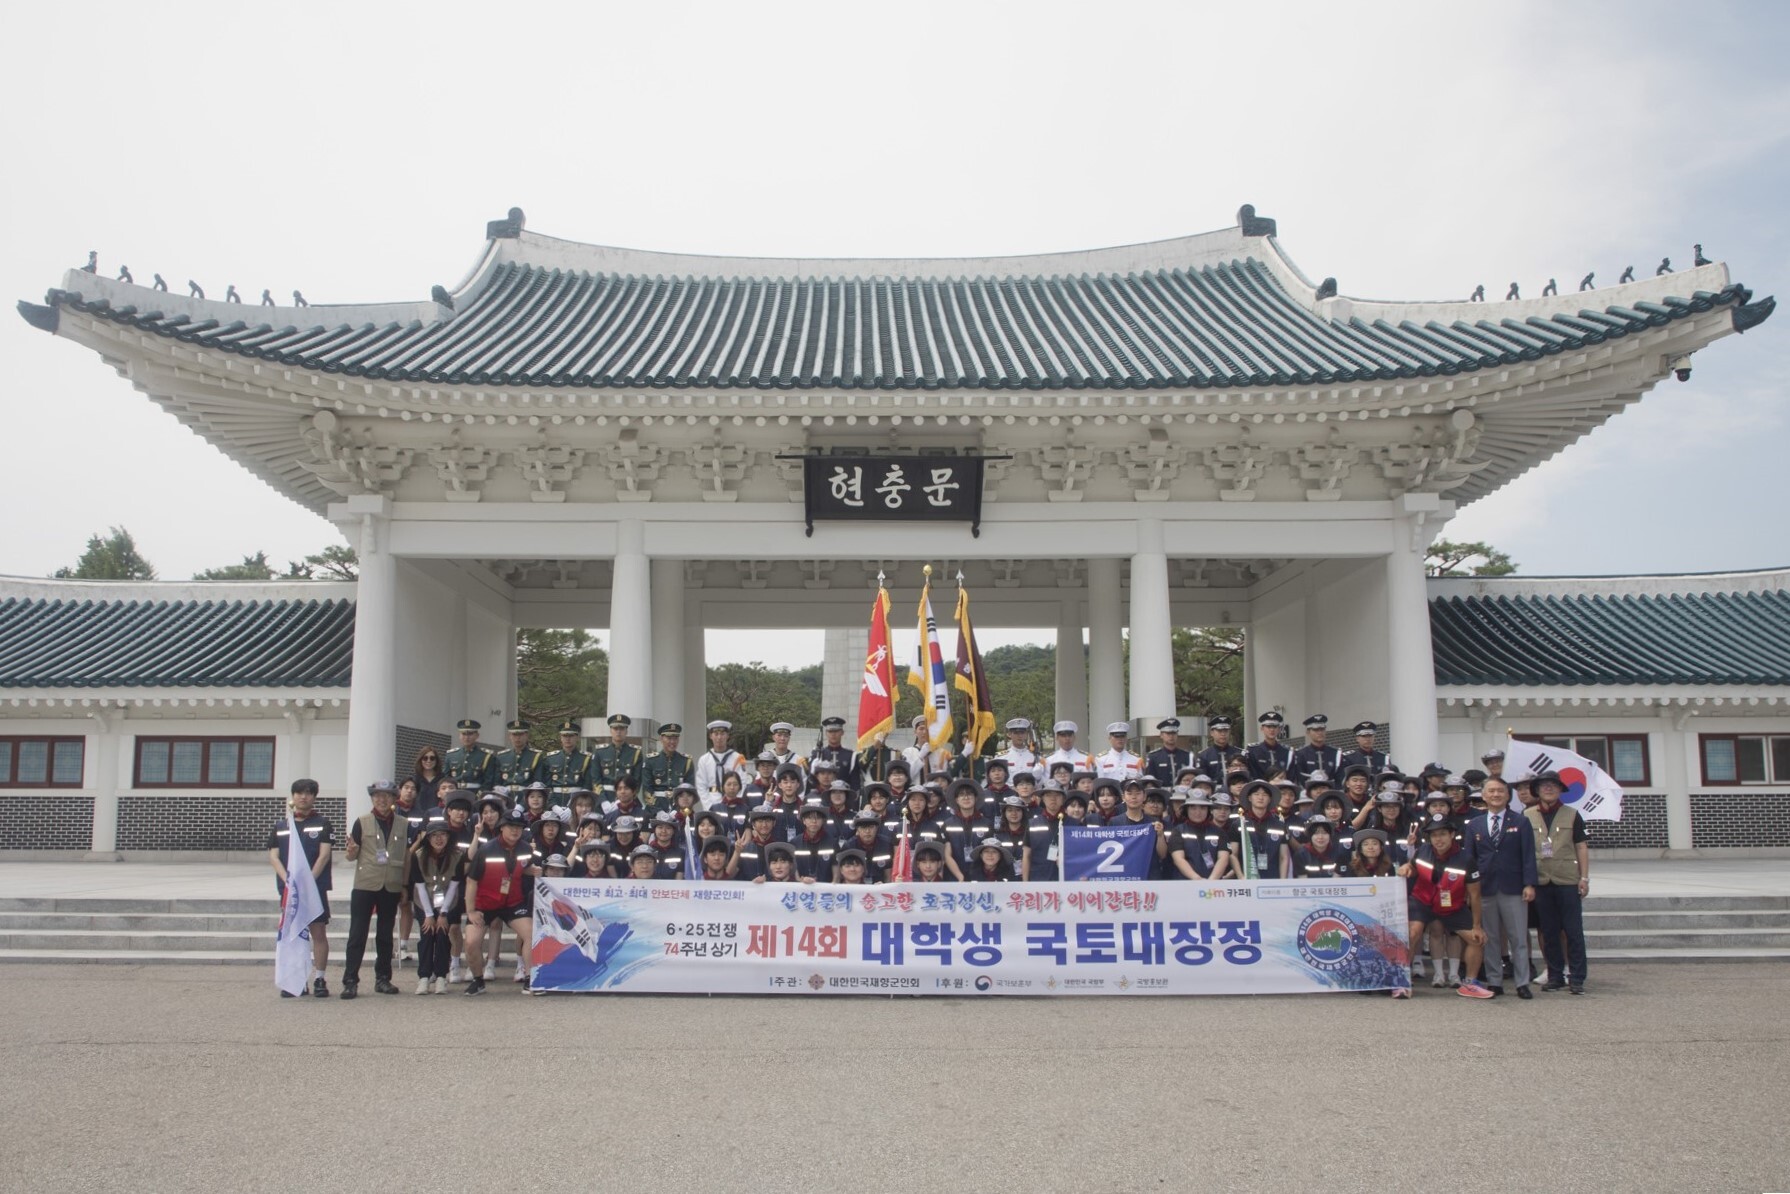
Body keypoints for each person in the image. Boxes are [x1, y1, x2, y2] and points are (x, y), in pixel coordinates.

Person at [1404, 813, 1495, 998]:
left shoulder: (1466, 859)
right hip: (1422, 901)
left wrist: (1477, 926)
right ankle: (1402, 980)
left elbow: (1475, 895)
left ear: (1452, 835)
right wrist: (1406, 867)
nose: (1439, 839)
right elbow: (1412, 866)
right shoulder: (1422, 851)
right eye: (1434, 835)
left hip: (1451, 904)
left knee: (1477, 939)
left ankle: (1469, 984)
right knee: (1412, 933)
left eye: (1443, 834)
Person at [339, 780, 409, 1000]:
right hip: (366, 884)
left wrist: (405, 885)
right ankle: (350, 981)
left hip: (391, 884)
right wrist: (350, 851)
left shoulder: (403, 823)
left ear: (394, 799)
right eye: (377, 795)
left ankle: (383, 979)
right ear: (372, 798)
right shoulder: (362, 822)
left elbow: (406, 855)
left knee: (385, 935)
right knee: (357, 934)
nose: (382, 799)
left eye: (387, 795)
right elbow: (351, 854)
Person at [1468, 777, 1537, 999]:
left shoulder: (1521, 821)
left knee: (1518, 937)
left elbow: (1528, 856)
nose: (1496, 795)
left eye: (1500, 791)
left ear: (1508, 795)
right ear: (1484, 795)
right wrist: (1470, 890)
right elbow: (1470, 859)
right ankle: (1495, 980)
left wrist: (1529, 884)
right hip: (1485, 888)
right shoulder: (1475, 825)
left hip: (1513, 887)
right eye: (1491, 791)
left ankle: (1522, 982)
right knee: (1491, 938)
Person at [267, 778, 333, 998]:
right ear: (293, 796)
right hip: (290, 892)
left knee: (318, 933)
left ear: (314, 797)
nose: (303, 797)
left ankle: (320, 978)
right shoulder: (281, 825)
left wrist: (307, 882)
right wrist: (289, 881)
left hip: (314, 889)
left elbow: (324, 855)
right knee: (293, 935)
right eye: (298, 793)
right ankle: (297, 980)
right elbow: (274, 856)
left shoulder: (322, 823)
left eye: (308, 793)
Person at [1526, 771, 1591, 994]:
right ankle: (1555, 975)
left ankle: (1577, 977)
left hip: (1567, 879)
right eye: (1544, 785)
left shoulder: (1572, 814)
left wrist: (1584, 877)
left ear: (1561, 789)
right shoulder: (1527, 815)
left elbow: (1581, 846)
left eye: (1553, 785)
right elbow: (1524, 850)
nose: (1549, 789)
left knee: (1573, 931)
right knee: (1549, 930)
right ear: (1537, 790)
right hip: (1541, 879)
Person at [463, 809, 534, 995]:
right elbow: (471, 881)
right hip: (484, 904)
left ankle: (530, 979)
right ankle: (478, 981)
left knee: (532, 934)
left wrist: (534, 871)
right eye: (511, 826)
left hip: (513, 902)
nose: (515, 831)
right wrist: (470, 911)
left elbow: (524, 868)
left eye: (519, 827)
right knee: (471, 942)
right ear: (502, 827)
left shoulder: (527, 849)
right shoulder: (485, 850)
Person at [408, 814, 464, 994]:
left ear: (448, 837)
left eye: (443, 835)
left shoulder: (457, 856)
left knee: (442, 935)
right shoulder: (418, 855)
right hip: (423, 900)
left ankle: (441, 976)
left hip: (448, 901)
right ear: (428, 838)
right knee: (426, 935)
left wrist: (443, 914)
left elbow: (454, 886)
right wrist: (429, 915)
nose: (439, 839)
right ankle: (424, 977)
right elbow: (420, 886)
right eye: (434, 835)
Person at [1229, 780, 1290, 880]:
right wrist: (1241, 876)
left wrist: (1283, 880)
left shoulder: (1279, 825)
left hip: (1273, 878)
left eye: (1265, 795)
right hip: (1247, 877)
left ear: (1270, 799)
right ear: (1249, 798)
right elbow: (1233, 855)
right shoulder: (1239, 824)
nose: (1260, 798)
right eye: (1256, 794)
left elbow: (1284, 857)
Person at [1166, 789, 1231, 880]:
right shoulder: (1178, 831)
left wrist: (1212, 880)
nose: (1198, 812)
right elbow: (1178, 859)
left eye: (1203, 808)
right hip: (1184, 885)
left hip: (1214, 888)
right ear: (1186, 810)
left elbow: (1223, 859)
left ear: (1209, 810)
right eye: (1193, 808)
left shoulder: (1218, 832)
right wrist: (1197, 879)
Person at [640, 723, 694, 809]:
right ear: (661, 739)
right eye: (669, 738)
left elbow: (690, 789)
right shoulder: (651, 760)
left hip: (679, 808)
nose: (672, 742)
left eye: (675, 738)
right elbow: (647, 789)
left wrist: (678, 810)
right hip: (656, 806)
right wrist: (657, 811)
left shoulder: (686, 761)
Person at [695, 720, 747, 805]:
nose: (719, 737)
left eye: (722, 734)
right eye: (716, 734)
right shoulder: (704, 760)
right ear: (710, 736)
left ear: (727, 736)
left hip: (733, 801)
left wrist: (735, 801)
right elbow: (701, 786)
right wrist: (708, 806)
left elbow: (742, 782)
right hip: (712, 800)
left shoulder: (737, 758)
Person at [543, 720, 594, 798]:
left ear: (577, 737)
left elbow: (587, 785)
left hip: (576, 800)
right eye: (564, 736)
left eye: (571, 736)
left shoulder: (586, 758)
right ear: (560, 737)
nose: (567, 739)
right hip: (555, 800)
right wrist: (552, 805)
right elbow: (547, 785)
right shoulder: (551, 758)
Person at [444, 719, 498, 791]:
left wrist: (479, 796)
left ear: (477, 735)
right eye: (463, 734)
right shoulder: (451, 755)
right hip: (454, 794)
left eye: (470, 734)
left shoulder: (486, 756)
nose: (466, 737)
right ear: (459, 735)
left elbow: (488, 781)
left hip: (474, 795)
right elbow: (446, 778)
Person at [1288, 714, 1342, 784]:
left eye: (1322, 729)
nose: (1320, 733)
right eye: (1316, 730)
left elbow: (1339, 777)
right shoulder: (1300, 754)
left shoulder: (1335, 753)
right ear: (1308, 732)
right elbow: (1299, 777)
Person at [1144, 717, 1194, 788]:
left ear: (1177, 734)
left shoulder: (1187, 755)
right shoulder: (1153, 757)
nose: (1171, 736)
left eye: (1173, 733)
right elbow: (1149, 781)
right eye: (1168, 733)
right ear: (1161, 735)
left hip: (1182, 794)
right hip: (1161, 795)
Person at [495, 720, 545, 789]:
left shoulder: (535, 756)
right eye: (514, 734)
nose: (517, 738)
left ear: (527, 735)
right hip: (505, 796)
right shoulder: (502, 756)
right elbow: (497, 782)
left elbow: (538, 782)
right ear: (509, 736)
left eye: (521, 734)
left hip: (526, 796)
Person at [1244, 711, 1293, 780]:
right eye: (1268, 726)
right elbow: (1251, 774)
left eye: (1275, 726)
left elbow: (1291, 775)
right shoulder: (1253, 750)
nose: (1272, 730)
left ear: (1279, 729)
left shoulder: (1287, 751)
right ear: (1262, 728)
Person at [1194, 717, 1242, 783]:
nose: (1223, 734)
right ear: (1211, 733)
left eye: (1226, 731)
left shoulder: (1239, 753)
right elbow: (1202, 779)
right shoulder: (1204, 755)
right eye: (1219, 731)